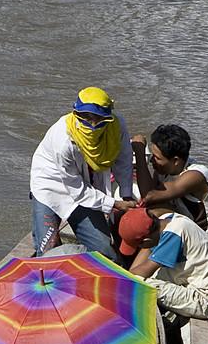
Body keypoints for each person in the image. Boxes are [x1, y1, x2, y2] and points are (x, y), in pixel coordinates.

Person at [29, 86, 138, 259]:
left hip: (87, 186)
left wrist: (126, 195)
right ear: (76, 114)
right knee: (48, 251)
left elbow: (123, 161)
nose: (93, 126)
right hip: (51, 184)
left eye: (100, 120)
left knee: (105, 253)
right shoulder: (63, 139)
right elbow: (76, 189)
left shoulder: (117, 127)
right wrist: (115, 204)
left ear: (109, 118)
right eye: (86, 119)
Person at [116, 205, 208, 322]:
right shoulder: (167, 220)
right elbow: (139, 264)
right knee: (137, 279)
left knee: (139, 284)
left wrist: (117, 281)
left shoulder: (174, 234)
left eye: (139, 246)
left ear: (146, 240)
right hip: (201, 284)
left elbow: (139, 275)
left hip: (207, 302)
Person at [132, 123, 208, 242]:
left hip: (206, 241)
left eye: (157, 158)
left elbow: (148, 195)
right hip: (186, 226)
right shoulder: (163, 170)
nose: (152, 161)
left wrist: (139, 152)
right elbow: (149, 199)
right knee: (138, 211)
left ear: (175, 161)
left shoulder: (195, 175)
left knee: (149, 215)